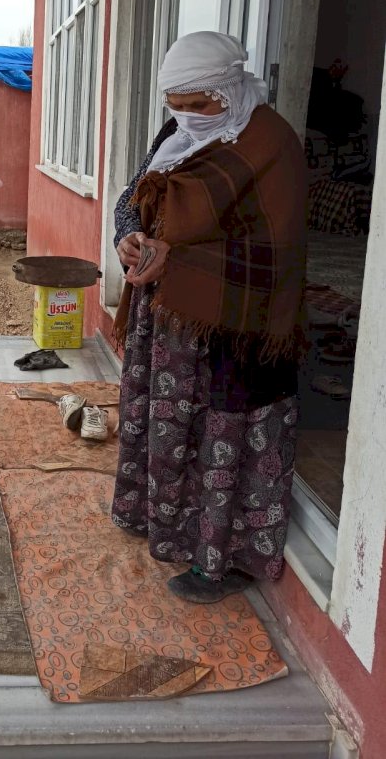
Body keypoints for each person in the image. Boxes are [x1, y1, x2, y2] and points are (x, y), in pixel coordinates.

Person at [111, 31, 307, 604]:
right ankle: (163, 522)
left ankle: (224, 559)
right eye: (177, 106)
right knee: (173, 425)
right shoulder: (177, 132)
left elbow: (276, 248)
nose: (188, 117)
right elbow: (133, 196)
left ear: (228, 89)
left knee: (225, 431)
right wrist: (130, 236)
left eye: (199, 105)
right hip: (172, 316)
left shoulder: (270, 143)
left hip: (237, 323)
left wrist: (179, 257)